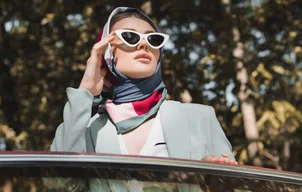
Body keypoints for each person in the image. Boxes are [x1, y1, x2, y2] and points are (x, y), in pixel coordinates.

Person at [50, 7, 237, 165]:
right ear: (106, 53)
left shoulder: (201, 118)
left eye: (153, 39)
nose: (143, 45)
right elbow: (61, 184)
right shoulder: (87, 129)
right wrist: (85, 91)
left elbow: (234, 185)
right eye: (130, 36)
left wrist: (209, 181)